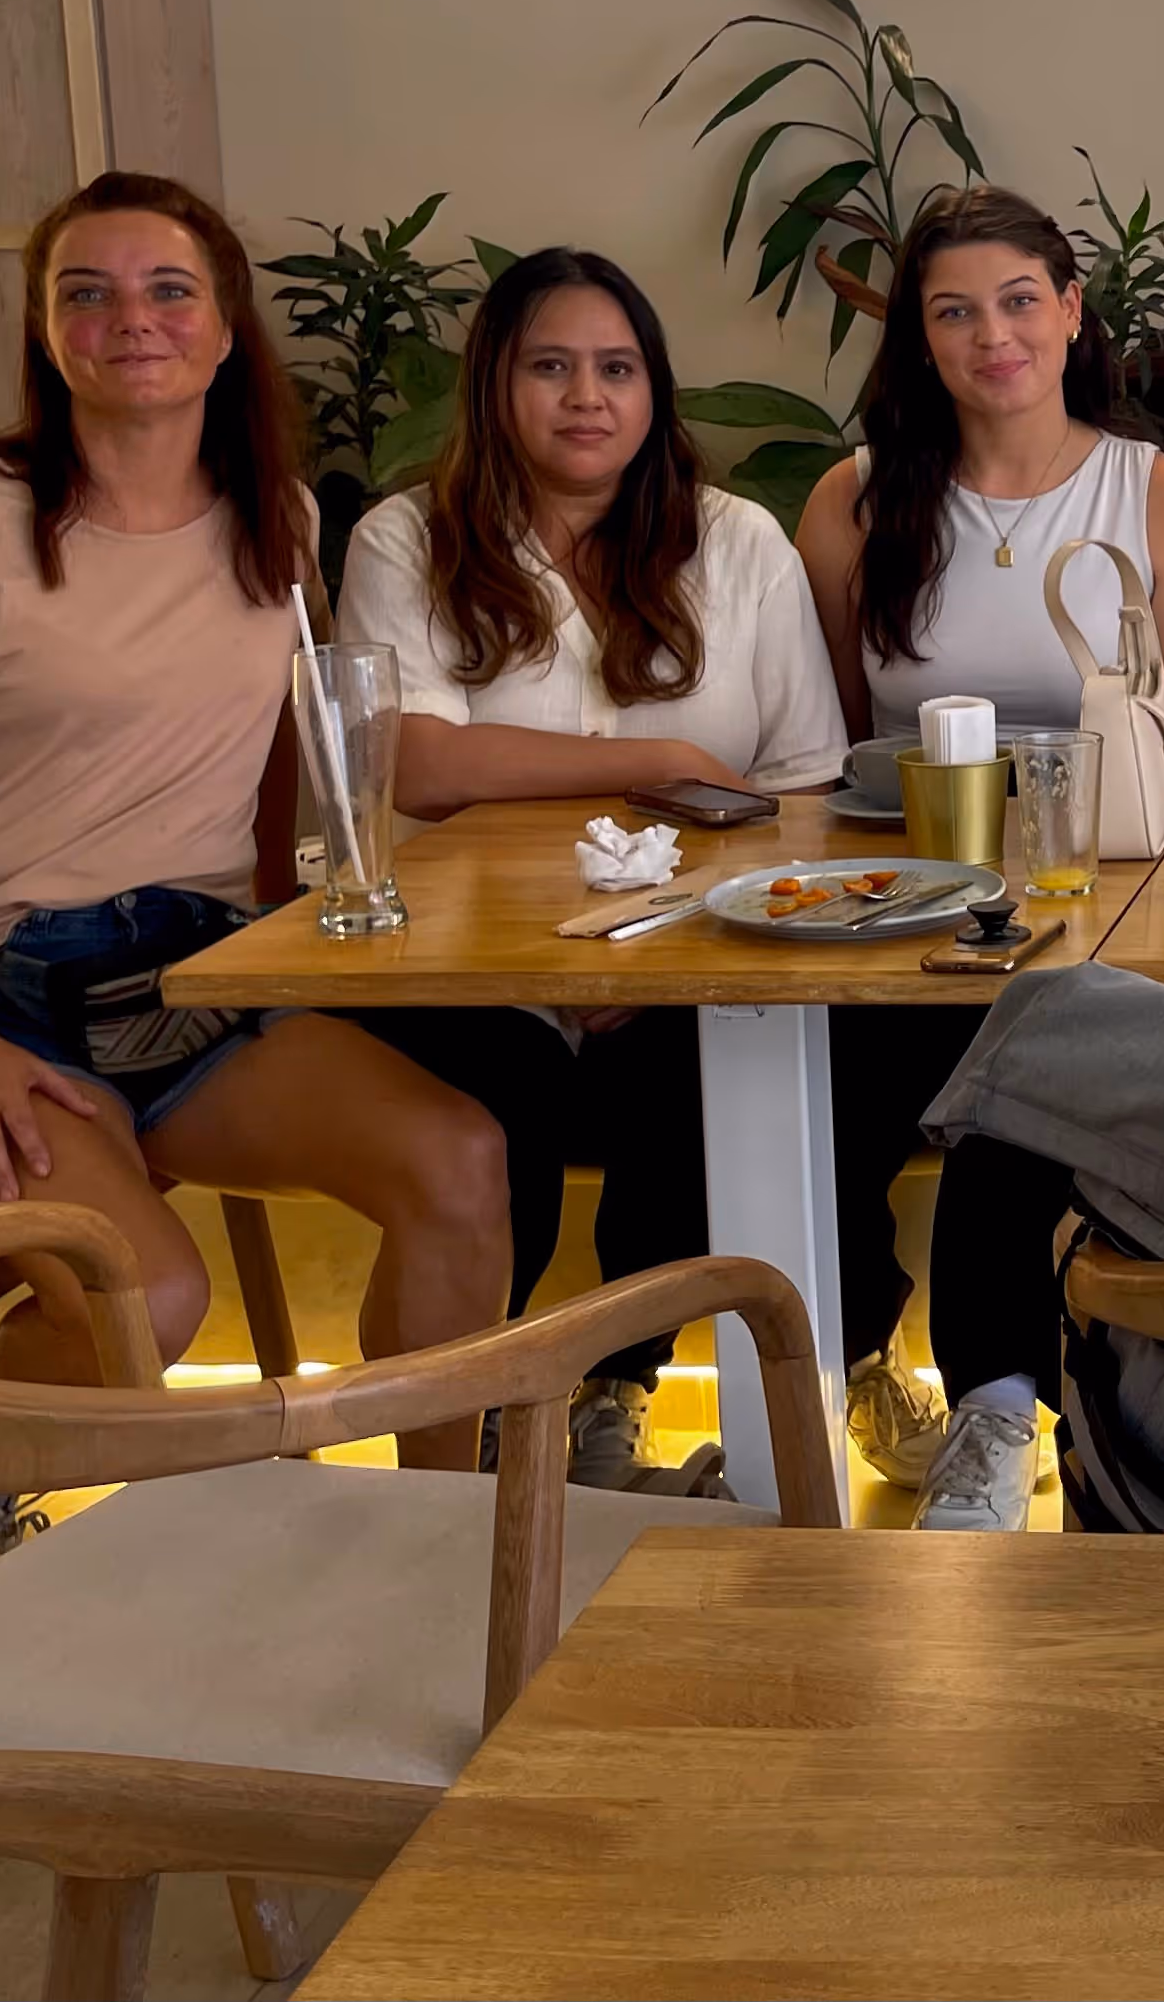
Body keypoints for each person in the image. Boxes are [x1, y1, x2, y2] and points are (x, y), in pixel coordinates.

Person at [0, 174, 510, 1595]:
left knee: (460, 1158)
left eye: (165, 290)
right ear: (46, 329)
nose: (127, 317)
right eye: (87, 290)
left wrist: (315, 939)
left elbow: (280, 777)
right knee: (147, 1292)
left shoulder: (277, 523)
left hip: (189, 973)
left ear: (221, 332)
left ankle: (443, 1555)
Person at [335, 248, 845, 1491]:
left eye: (616, 368)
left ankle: (611, 1399)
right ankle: (488, 1425)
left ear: (653, 390)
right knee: (492, 1089)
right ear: (494, 385)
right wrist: (661, 756)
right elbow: (412, 761)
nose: (586, 396)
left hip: (693, 950)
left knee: (699, 1056)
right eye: (550, 366)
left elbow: (806, 784)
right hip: (466, 970)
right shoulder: (407, 536)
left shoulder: (736, 541)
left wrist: (671, 942)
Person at [797, 182, 1164, 1531]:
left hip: (1101, 926)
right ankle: (856, 1359)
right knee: (780, 1054)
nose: (992, 334)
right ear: (919, 341)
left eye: (1015, 301)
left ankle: (995, 1410)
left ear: (1069, 312)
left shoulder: (1153, 495)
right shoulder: (855, 503)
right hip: (895, 920)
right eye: (953, 311)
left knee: (1027, 1072)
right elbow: (820, 763)